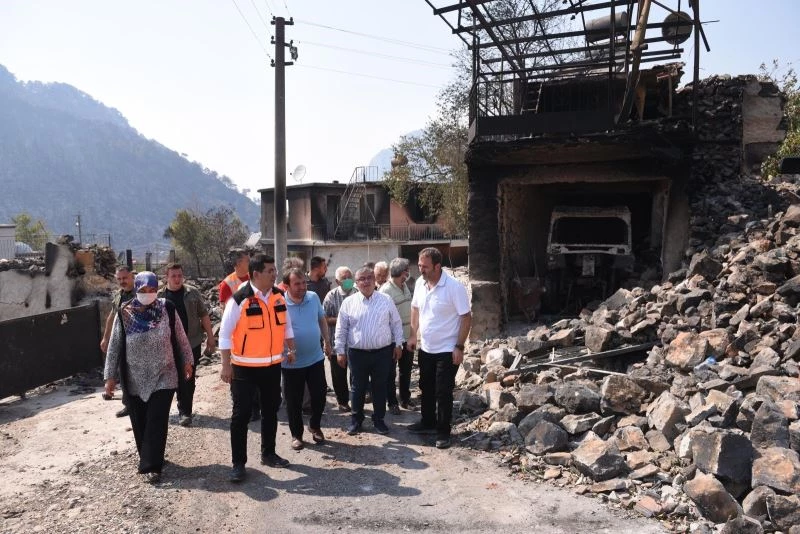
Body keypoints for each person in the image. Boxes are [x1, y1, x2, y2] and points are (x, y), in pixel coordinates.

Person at [103, 271, 194, 483]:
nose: (149, 294)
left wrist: (188, 360)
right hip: (134, 376)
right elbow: (115, 346)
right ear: (136, 289)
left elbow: (180, 337)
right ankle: (151, 455)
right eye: (144, 290)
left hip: (165, 373)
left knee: (157, 418)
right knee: (140, 420)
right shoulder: (124, 313)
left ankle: (152, 466)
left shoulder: (166, 308)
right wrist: (110, 377)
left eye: (153, 290)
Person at [218, 254, 297, 483]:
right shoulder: (240, 298)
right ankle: (238, 464)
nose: (275, 274)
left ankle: (268, 453)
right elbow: (224, 334)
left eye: (275, 270)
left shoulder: (279, 296)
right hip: (243, 368)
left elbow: (287, 326)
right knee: (241, 415)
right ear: (256, 274)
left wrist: (290, 349)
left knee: (271, 410)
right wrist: (226, 366)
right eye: (270, 270)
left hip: (272, 365)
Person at [408, 247, 472, 450]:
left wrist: (459, 346)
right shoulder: (420, 283)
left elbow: (466, 317)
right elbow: (415, 308)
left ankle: (443, 432)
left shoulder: (454, 287)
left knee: (443, 391)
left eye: (425, 266)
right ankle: (428, 422)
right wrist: (412, 335)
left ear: (437, 266)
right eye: (419, 265)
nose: (421, 270)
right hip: (426, 347)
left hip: (447, 349)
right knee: (425, 387)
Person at [335, 266, 404, 436]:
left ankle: (379, 420)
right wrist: (340, 351)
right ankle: (356, 420)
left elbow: (396, 323)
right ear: (356, 283)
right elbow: (341, 329)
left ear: (374, 281)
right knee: (357, 388)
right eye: (361, 279)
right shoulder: (348, 303)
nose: (366, 282)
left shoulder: (386, 300)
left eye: (369, 278)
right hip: (357, 354)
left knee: (379, 387)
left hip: (382, 353)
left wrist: (398, 345)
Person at [158, 262, 216, 427]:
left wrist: (211, 338)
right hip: (168, 345)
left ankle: (185, 411)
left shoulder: (192, 293)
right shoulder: (160, 296)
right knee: (170, 377)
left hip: (191, 343)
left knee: (187, 378)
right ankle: (168, 410)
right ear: (166, 277)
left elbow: (204, 315)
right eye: (173, 276)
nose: (177, 279)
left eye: (179, 275)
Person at [282, 268, 331, 450]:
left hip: (315, 358)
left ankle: (315, 425)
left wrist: (327, 341)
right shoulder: (280, 303)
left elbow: (322, 319)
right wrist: (286, 350)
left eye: (304, 283)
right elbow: (278, 329)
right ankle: (296, 434)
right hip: (291, 362)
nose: (302, 287)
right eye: (297, 284)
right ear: (287, 286)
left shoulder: (313, 297)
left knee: (319, 395)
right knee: (293, 400)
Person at [380, 257, 414, 414]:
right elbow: (384, 319)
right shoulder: (385, 291)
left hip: (408, 337)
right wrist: (395, 342)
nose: (408, 273)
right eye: (407, 270)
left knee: (406, 371)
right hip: (393, 340)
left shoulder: (405, 285)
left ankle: (405, 400)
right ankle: (392, 403)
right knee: (390, 373)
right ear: (402, 272)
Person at [101, 265, 136, 418]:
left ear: (132, 277)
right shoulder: (118, 296)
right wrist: (106, 337)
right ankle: (128, 405)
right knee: (123, 374)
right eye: (119, 279)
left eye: (125, 278)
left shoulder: (142, 293)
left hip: (138, 342)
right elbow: (112, 316)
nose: (122, 281)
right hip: (122, 341)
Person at [322, 266, 356, 412]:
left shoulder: (358, 293)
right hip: (337, 344)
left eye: (350, 276)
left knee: (356, 375)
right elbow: (324, 319)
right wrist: (342, 320)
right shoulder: (331, 296)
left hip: (356, 344)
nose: (348, 280)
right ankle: (342, 401)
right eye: (344, 278)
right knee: (338, 376)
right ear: (337, 281)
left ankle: (356, 401)